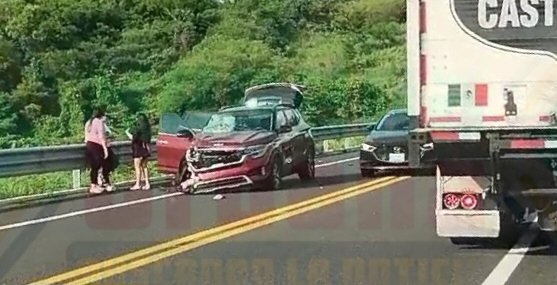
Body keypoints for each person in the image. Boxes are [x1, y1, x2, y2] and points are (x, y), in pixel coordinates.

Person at [84, 107, 114, 194]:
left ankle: (95, 184)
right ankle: (94, 185)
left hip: (89, 144)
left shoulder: (90, 121)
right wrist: (105, 149)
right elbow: (101, 136)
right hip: (96, 145)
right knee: (97, 165)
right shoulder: (99, 122)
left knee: (94, 166)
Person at [126, 113, 152, 190]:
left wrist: (127, 132)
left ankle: (138, 184)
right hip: (145, 149)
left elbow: (133, 138)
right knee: (145, 167)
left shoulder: (137, 129)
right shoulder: (147, 129)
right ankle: (147, 183)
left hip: (138, 149)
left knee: (137, 167)